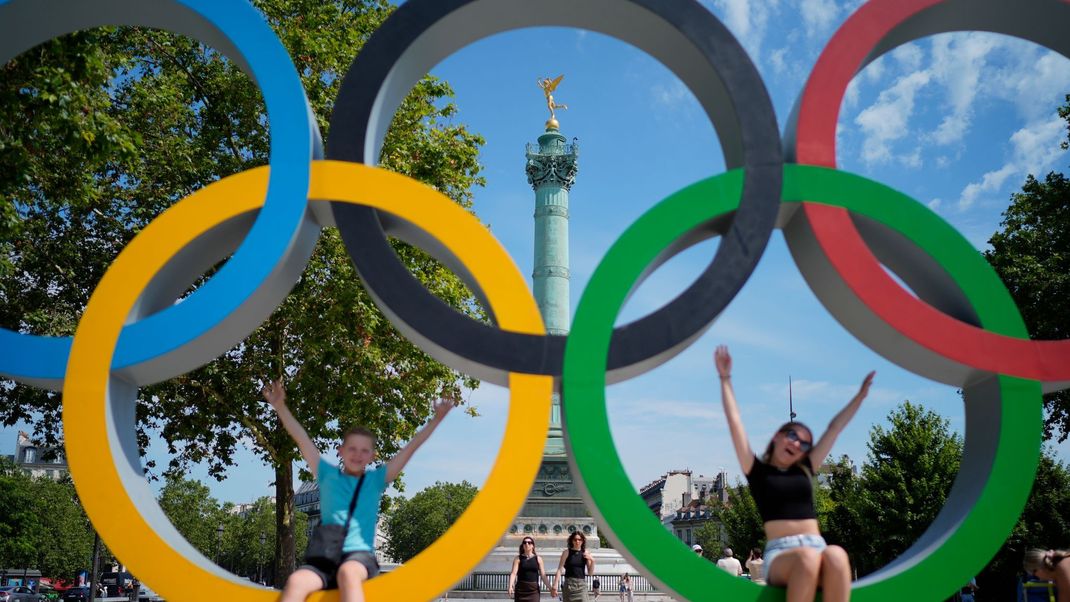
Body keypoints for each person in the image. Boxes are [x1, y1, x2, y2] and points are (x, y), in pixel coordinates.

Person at [263, 379, 453, 602]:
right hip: (324, 559)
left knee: (348, 573)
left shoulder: (375, 480)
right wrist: (280, 407)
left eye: (364, 450)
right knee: (296, 581)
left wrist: (436, 420)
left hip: (357, 558)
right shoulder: (327, 475)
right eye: (352, 448)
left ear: (372, 456)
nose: (357, 454)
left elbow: (410, 448)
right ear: (340, 451)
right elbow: (302, 439)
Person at [714, 345, 873, 602]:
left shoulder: (805, 469)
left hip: (816, 547)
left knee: (837, 555)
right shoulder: (757, 471)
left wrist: (860, 396)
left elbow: (834, 428)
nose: (798, 443)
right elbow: (735, 421)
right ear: (777, 437)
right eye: (792, 436)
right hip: (781, 553)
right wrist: (725, 378)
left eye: (805, 443)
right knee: (808, 558)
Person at [552, 531, 595, 601]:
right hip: (569, 585)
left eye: (579, 539)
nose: (577, 541)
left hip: (581, 586)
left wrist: (592, 560)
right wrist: (555, 584)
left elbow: (590, 573)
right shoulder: (566, 552)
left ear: (583, 541)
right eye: (575, 539)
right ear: (572, 541)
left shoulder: (585, 553)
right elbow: (560, 569)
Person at [508, 537, 553, 601]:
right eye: (524, 543)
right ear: (522, 545)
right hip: (521, 589)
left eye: (529, 543)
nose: (527, 544)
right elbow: (513, 573)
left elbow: (543, 575)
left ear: (533, 546)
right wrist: (510, 586)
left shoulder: (538, 559)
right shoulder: (518, 559)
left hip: (533, 590)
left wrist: (550, 588)